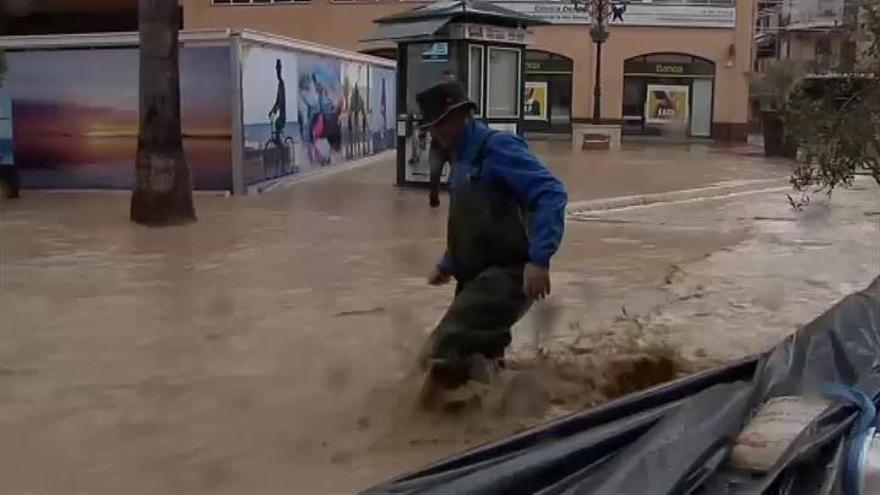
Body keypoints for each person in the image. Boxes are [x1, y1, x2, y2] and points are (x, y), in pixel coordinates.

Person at [416, 81, 568, 394]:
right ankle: (496, 421)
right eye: (434, 126)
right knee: (475, 362)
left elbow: (552, 193)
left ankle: (416, 420)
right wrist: (448, 263)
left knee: (442, 347)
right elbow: (473, 222)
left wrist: (540, 260)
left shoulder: (497, 148)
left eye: (445, 122)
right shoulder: (459, 158)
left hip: (509, 275)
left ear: (464, 115)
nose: (439, 132)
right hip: (475, 278)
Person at [268, 59, 287, 148]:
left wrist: (275, 110)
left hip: (283, 116)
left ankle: (279, 142)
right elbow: (277, 101)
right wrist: (272, 110)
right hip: (281, 113)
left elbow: (281, 102)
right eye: (277, 70)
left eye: (278, 70)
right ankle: (278, 140)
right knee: (276, 123)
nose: (277, 73)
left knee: (277, 122)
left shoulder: (282, 84)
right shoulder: (279, 85)